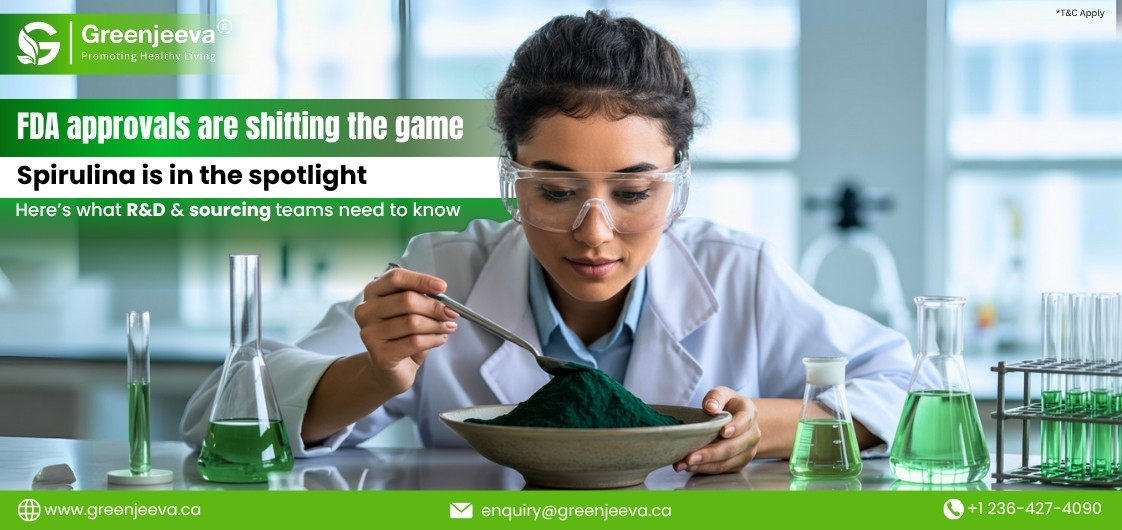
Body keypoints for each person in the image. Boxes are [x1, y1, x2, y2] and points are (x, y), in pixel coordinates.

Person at [181, 10, 915, 475]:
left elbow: (906, 390)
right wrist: (377, 374)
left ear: (677, 184)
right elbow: (212, 414)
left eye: (633, 193)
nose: (593, 232)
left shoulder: (737, 272)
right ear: (512, 182)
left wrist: (762, 426)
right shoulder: (445, 272)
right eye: (555, 191)